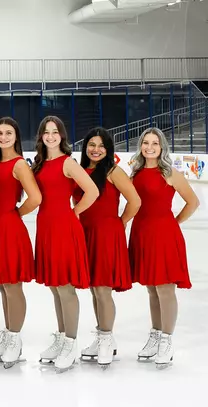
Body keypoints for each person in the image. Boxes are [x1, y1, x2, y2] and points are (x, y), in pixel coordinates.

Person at [31, 116, 98, 373]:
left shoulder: (68, 162)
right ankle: (61, 337)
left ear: (62, 135)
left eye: (55, 132)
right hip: (45, 227)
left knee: (66, 287)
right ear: (41, 136)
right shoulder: (39, 164)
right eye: (46, 132)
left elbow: (92, 191)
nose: (50, 136)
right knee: (54, 287)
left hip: (63, 228)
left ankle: (71, 341)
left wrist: (75, 212)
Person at [128, 127, 199, 369]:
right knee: (151, 289)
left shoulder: (169, 173)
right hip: (141, 233)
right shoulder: (135, 173)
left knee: (165, 289)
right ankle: (156, 334)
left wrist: (174, 223)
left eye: (154, 143)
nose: (149, 147)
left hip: (163, 235)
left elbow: (193, 201)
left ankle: (167, 340)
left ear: (162, 147)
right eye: (145, 142)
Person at [73, 127, 140, 369]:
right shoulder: (80, 171)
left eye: (101, 145)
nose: (96, 149)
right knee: (94, 289)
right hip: (86, 234)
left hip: (107, 235)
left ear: (108, 149)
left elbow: (135, 201)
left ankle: (106, 338)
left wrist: (119, 223)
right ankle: (102, 336)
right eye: (92, 144)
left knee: (103, 290)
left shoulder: (113, 171)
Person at [0, 117, 40, 368]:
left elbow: (35, 197)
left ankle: (15, 339)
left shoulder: (18, 165)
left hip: (8, 229)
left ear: (16, 137)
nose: (3, 137)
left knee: (13, 286)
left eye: (8, 133)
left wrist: (15, 214)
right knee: (3, 286)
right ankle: (8, 333)